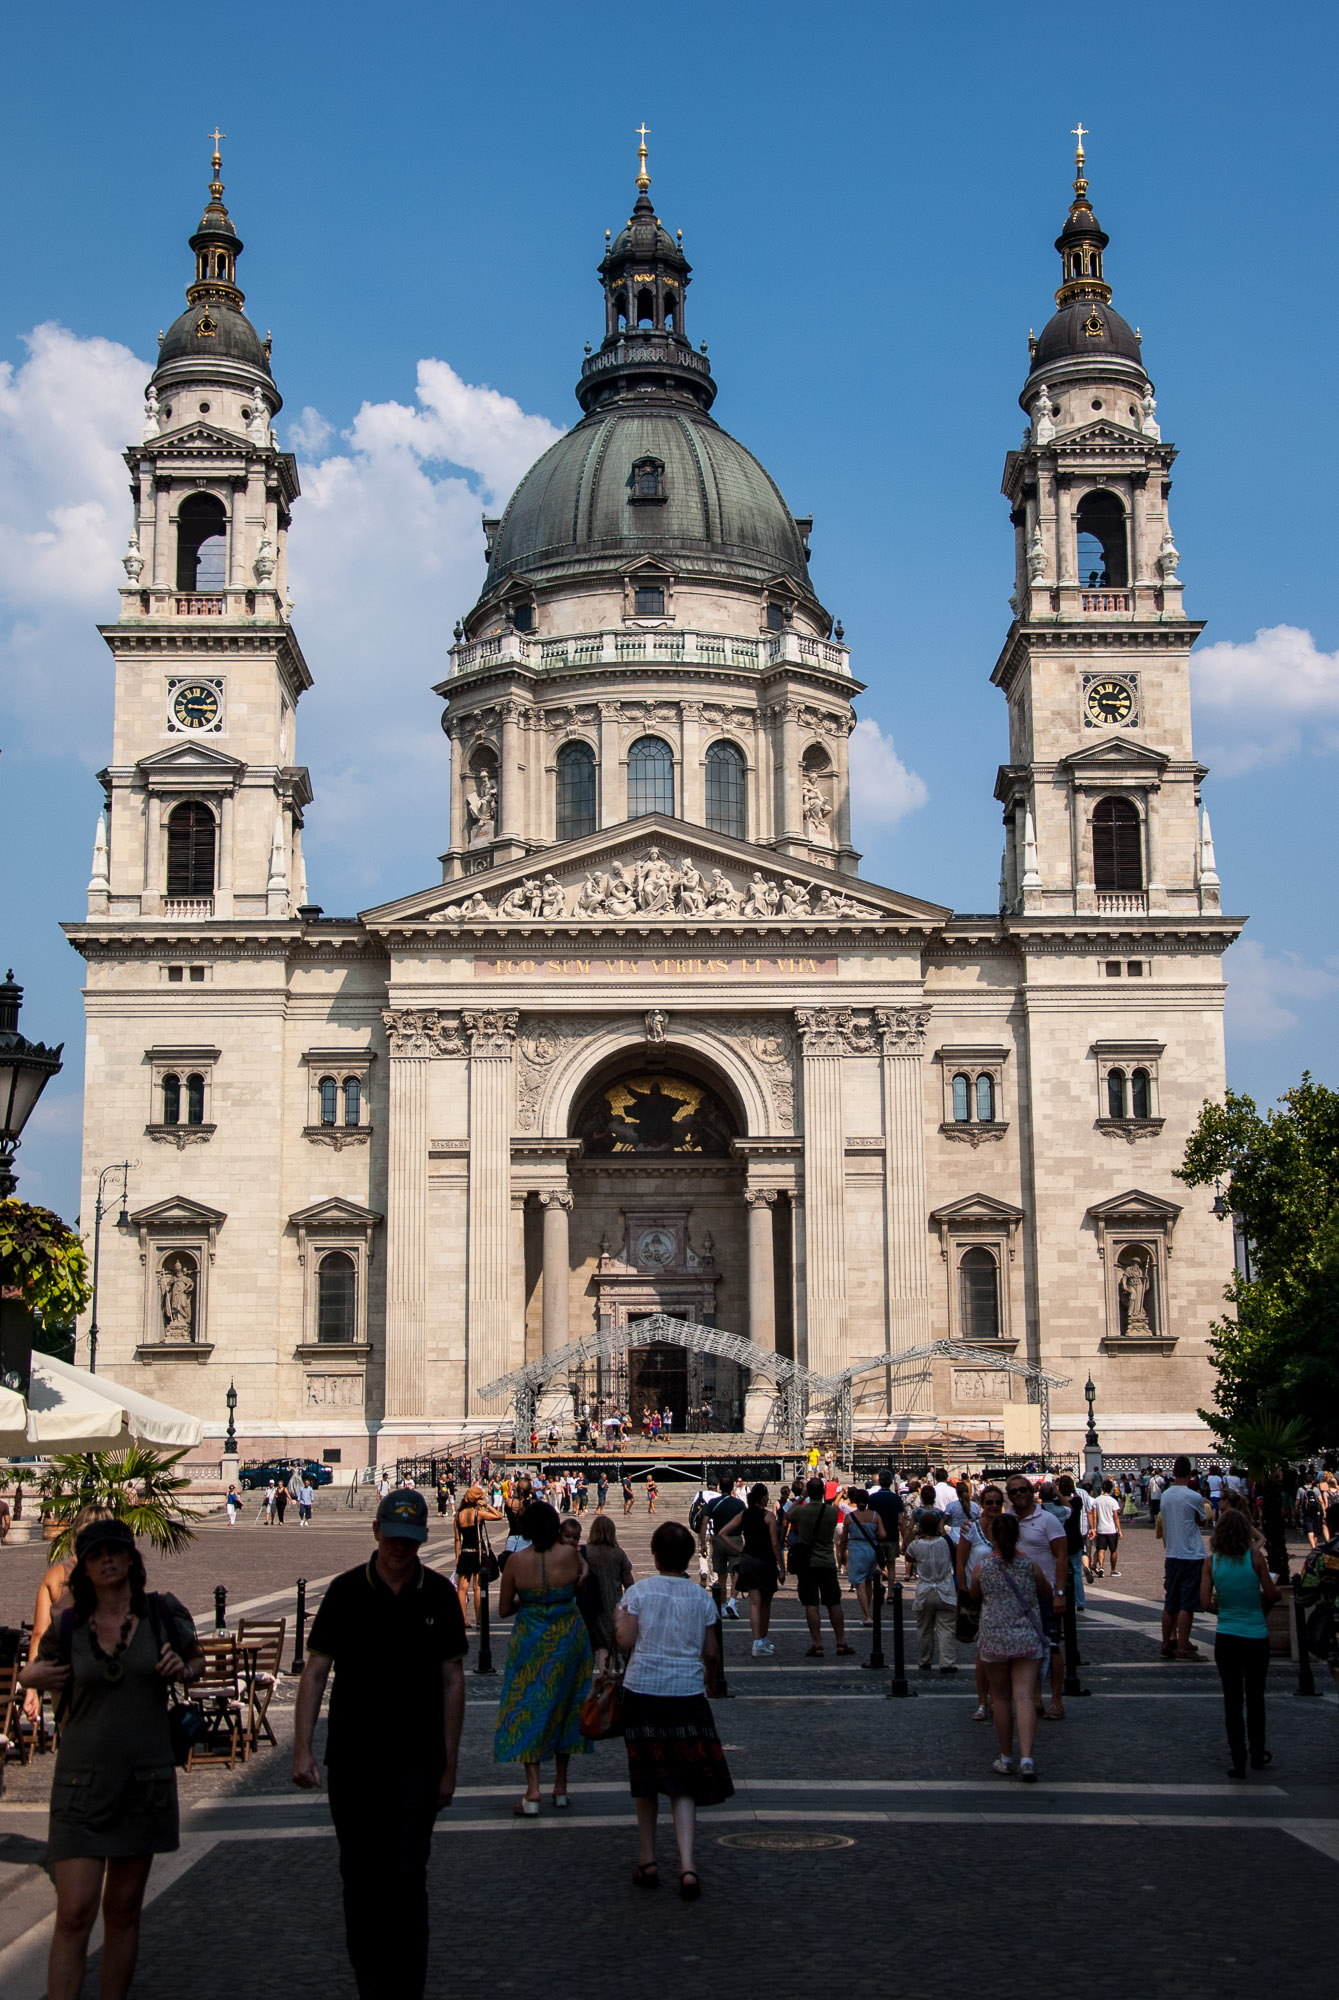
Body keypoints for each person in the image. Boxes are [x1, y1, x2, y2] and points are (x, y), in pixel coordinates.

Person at [293, 1490, 466, 2000]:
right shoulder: (345, 1592)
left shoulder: (437, 1593)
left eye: (409, 1543)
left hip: (418, 1760)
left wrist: (450, 1766)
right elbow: (316, 1671)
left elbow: (453, 1680)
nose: (399, 1550)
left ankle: (406, 1987)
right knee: (361, 1878)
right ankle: (370, 1983)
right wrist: (302, 1748)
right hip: (354, 1761)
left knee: (409, 1874)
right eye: (392, 1539)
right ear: (375, 1532)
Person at [20, 1520, 204, 2000]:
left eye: (115, 1551)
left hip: (143, 1782)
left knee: (122, 1910)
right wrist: (32, 1677)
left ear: (130, 1559)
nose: (107, 1560)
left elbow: (197, 1661)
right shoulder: (68, 1623)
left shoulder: (161, 1613)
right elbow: (33, 1668)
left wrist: (183, 1670)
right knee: (75, 1910)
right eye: (96, 1553)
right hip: (81, 1783)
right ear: (82, 1565)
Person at [615, 1519, 734, 1899]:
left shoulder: (640, 1593)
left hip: (643, 1691)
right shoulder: (701, 1597)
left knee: (646, 1778)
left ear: (654, 1554)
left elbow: (624, 1641)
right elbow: (712, 1652)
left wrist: (619, 1620)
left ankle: (648, 1858)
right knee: (685, 1782)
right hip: (687, 1692)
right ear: (687, 1556)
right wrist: (711, 1681)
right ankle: (687, 1865)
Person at [495, 1501, 593, 1814]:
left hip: (531, 1636)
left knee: (528, 1705)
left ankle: (533, 1790)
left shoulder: (514, 1562)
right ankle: (561, 1787)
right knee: (567, 1703)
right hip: (568, 1633)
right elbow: (582, 1580)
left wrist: (532, 1602)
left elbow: (504, 1610)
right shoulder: (571, 1555)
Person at [968, 1510, 1049, 1781]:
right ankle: (1027, 1758)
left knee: (1000, 1699)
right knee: (1024, 1698)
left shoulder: (983, 1567)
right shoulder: (1030, 1566)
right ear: (1017, 1536)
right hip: (1026, 1635)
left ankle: (1006, 1758)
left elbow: (973, 1594)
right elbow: (1045, 1591)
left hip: (994, 1637)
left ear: (992, 1536)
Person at [1201, 1505, 1279, 1778]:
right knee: (1256, 1698)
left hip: (1227, 1636)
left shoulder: (1212, 1563)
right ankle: (1258, 1753)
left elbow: (1203, 1602)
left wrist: (1224, 1608)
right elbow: (1270, 1594)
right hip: (1256, 1635)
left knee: (1232, 1700)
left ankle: (1238, 1760)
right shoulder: (1255, 1558)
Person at [1004, 1474, 1068, 1720]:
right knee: (1025, 1650)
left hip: (1045, 1591)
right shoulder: (1007, 1520)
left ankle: (1056, 1700)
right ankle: (1036, 1698)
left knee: (1052, 1646)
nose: (1019, 1494)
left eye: (1023, 1490)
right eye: (1014, 1492)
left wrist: (1060, 1592)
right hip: (1016, 1596)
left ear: (1032, 1492)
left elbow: (1061, 1556)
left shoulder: (1048, 1520)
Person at [788, 1478, 854, 1658]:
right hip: (826, 1561)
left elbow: (788, 1515)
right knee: (834, 1602)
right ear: (824, 1491)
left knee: (811, 1603)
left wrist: (801, 1498)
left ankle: (817, 1644)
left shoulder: (802, 1510)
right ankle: (840, 1642)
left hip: (807, 1564)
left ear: (808, 1492)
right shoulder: (831, 1512)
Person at [716, 1482, 783, 1655]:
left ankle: (757, 1641)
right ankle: (763, 1638)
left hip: (749, 1559)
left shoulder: (743, 1515)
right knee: (766, 1603)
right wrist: (781, 1567)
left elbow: (722, 1532)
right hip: (765, 1561)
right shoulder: (768, 1517)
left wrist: (739, 1549)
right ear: (763, 1498)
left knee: (754, 1602)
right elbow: (775, 1544)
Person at [957, 1483, 1005, 1721]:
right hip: (979, 1597)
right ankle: (983, 1701)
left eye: (998, 1502)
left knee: (1003, 1653)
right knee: (984, 1652)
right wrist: (963, 1590)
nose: (994, 1506)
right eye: (989, 1502)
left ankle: (998, 1700)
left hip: (1005, 1598)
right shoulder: (971, 1528)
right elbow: (960, 1561)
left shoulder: (1009, 1527)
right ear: (981, 1505)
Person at [1158, 1455, 1209, 1661]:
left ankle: (1166, 1643)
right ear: (1190, 1474)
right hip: (1191, 1553)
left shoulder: (1165, 1496)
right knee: (1187, 1603)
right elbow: (1203, 1521)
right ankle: (1182, 1648)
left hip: (1172, 1553)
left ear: (1173, 1472)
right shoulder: (1194, 1496)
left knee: (1171, 1601)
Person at [579, 1512, 634, 1669]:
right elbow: (629, 1581)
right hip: (611, 1605)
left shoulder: (584, 1552)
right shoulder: (618, 1553)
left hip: (587, 1605)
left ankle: (586, 1686)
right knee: (606, 1647)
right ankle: (605, 1682)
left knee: (588, 1646)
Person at [907, 1508, 958, 1672]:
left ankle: (925, 1659)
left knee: (924, 1628)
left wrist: (914, 1534)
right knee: (946, 1628)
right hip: (945, 1589)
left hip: (925, 1590)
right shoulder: (946, 1542)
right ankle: (947, 1662)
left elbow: (907, 1556)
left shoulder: (916, 1545)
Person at [699, 1470, 745, 1622]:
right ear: (732, 1487)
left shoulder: (713, 1503)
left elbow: (704, 1522)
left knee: (721, 1575)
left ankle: (724, 1605)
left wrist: (702, 1543)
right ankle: (732, 1600)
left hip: (718, 1539)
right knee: (736, 1571)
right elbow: (745, 1522)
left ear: (719, 1487)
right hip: (735, 1539)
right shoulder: (739, 1503)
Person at [455, 1483, 503, 1628]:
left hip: (464, 1552)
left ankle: (463, 1620)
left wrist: (457, 1558)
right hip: (477, 1553)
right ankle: (479, 1620)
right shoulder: (478, 1513)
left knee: (462, 1588)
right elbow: (498, 1516)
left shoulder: (458, 1515)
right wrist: (487, 1505)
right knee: (477, 1587)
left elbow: (457, 1539)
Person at [838, 1488, 887, 1627]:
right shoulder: (875, 1516)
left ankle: (866, 1615)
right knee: (869, 1581)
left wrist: (842, 1553)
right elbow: (883, 1535)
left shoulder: (850, 1517)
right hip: (871, 1549)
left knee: (859, 1583)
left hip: (856, 1549)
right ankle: (868, 1610)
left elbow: (843, 1539)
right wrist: (874, 1535)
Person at [868, 1470, 904, 1578]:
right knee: (891, 1564)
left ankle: (878, 1588)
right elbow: (901, 1520)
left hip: (877, 1535)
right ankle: (890, 1591)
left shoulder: (873, 1498)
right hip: (892, 1535)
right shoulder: (897, 1499)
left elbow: (871, 1518)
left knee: (877, 1563)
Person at [1091, 1479, 1123, 1576]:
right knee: (1113, 1550)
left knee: (1101, 1549)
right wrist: (1119, 1530)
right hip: (1111, 1529)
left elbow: (1094, 1516)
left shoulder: (1096, 1500)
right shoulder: (1113, 1501)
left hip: (1101, 1528)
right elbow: (1116, 1517)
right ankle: (1113, 1570)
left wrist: (1094, 1527)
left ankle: (1101, 1567)